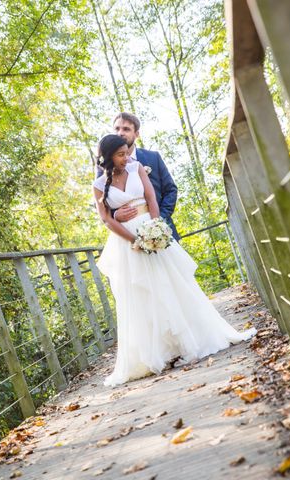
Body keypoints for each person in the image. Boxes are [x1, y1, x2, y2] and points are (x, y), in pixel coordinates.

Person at [93, 134, 256, 387]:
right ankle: (159, 352)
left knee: (172, 285)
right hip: (128, 244)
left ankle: (189, 341)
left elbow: (151, 199)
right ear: (108, 156)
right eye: (121, 154)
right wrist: (133, 240)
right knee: (141, 295)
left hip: (151, 231)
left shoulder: (137, 168)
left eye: (127, 153)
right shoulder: (98, 184)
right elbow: (106, 219)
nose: (126, 158)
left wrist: (153, 229)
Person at [103, 112, 180, 240]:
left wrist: (158, 222)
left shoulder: (153, 157)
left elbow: (170, 190)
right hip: (128, 236)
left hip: (162, 231)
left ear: (137, 134)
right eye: (117, 128)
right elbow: (102, 202)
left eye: (126, 129)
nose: (120, 133)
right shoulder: (103, 166)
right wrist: (115, 215)